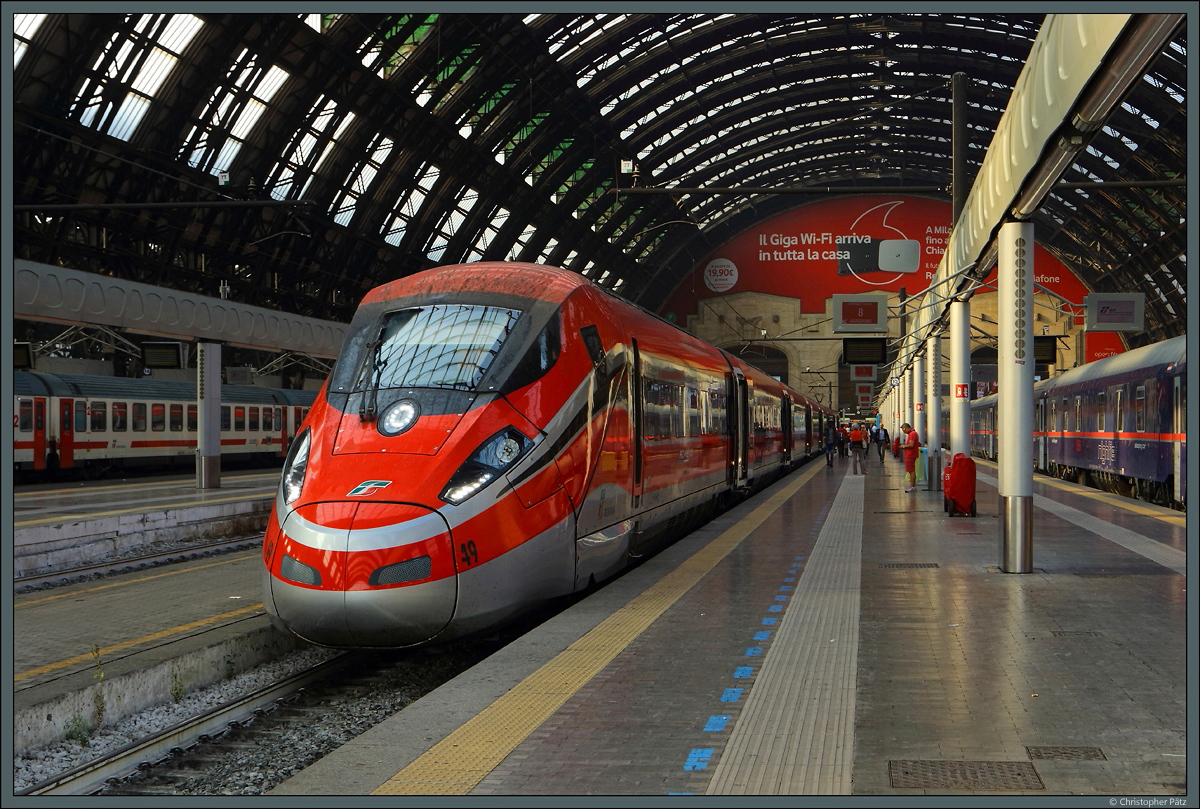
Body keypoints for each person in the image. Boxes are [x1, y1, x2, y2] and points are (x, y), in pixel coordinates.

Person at [901, 422, 921, 492]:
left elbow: (911, 445)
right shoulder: (913, 433)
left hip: (910, 455)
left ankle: (912, 487)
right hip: (912, 454)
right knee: (911, 470)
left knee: (911, 471)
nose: (904, 432)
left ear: (906, 428)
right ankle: (913, 486)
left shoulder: (912, 434)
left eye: (904, 430)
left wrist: (904, 446)